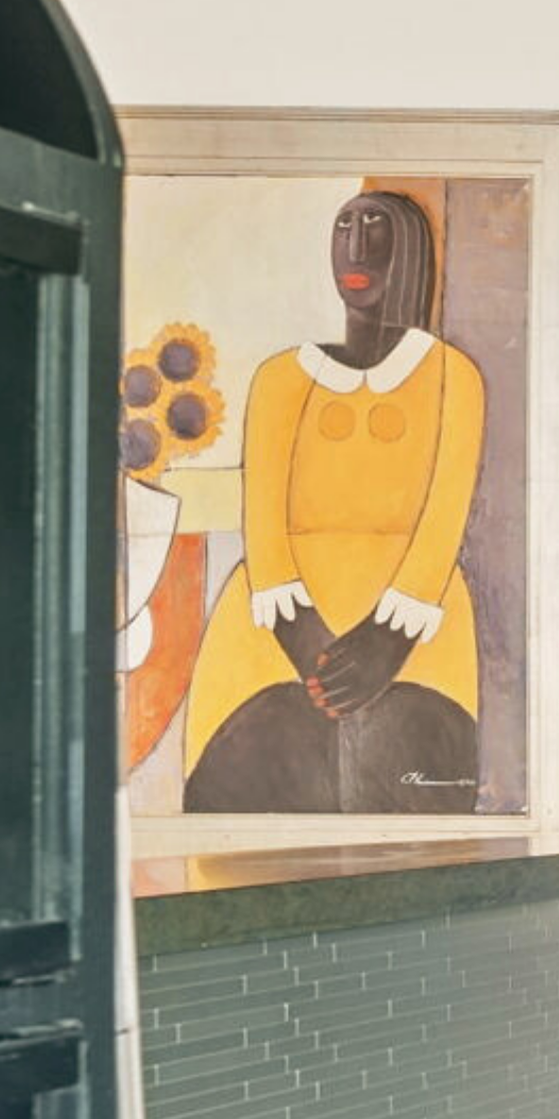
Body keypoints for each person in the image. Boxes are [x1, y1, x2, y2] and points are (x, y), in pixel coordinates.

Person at [179, 187, 489, 814]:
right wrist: (307, 645)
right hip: (272, 631)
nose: (357, 246)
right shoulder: (281, 378)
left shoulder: (455, 378)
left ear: (413, 252)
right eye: (344, 227)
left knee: (409, 796)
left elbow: (443, 518)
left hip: (417, 632)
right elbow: (263, 521)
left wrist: (388, 639)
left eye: (377, 229)